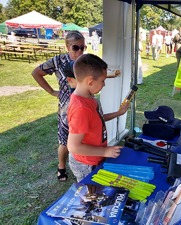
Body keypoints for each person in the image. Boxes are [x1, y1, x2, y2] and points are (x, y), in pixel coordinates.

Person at [32, 30, 86, 181]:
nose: (80, 51)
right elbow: (36, 73)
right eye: (76, 48)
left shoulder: (85, 60)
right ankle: (61, 167)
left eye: (83, 47)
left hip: (84, 103)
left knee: (82, 136)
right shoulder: (57, 61)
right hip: (67, 107)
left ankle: (82, 165)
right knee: (65, 140)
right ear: (67, 46)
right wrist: (51, 91)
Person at [67, 53, 130, 182]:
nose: (104, 84)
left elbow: (97, 120)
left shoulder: (89, 98)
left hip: (95, 157)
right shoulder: (81, 109)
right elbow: (73, 146)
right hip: (85, 163)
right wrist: (105, 152)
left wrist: (118, 113)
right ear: (90, 81)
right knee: (91, 193)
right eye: (103, 81)